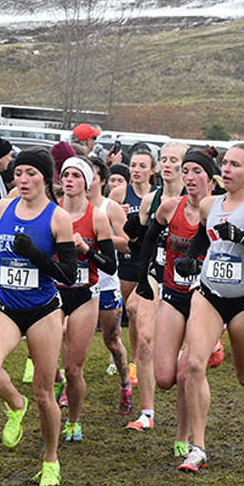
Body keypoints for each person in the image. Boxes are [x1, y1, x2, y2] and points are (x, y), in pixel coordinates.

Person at [174, 143, 244, 472]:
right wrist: (188, 258)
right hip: (208, 294)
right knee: (194, 364)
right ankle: (198, 448)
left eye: (235, 165)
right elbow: (203, 238)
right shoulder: (210, 203)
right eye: (225, 163)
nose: (226, 169)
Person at [0, 148, 76, 486]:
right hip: (5, 304)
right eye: (18, 173)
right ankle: (15, 405)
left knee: (45, 394)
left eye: (30, 174)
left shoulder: (57, 218)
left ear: (46, 179)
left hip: (43, 309)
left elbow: (69, 274)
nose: (22, 180)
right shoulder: (5, 207)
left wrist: (33, 254)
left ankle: (51, 459)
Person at [136, 147, 215, 457]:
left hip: (205, 300)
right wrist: (143, 279)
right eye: (187, 171)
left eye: (197, 172)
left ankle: (186, 437)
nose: (190, 178)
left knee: (187, 373)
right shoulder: (170, 207)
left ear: (210, 177)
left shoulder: (220, 211)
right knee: (165, 377)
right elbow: (148, 241)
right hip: (171, 292)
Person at [123, 142, 186, 432]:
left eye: (175, 160)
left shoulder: (202, 200)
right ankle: (147, 413)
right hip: (156, 273)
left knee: (183, 364)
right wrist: (129, 224)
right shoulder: (151, 200)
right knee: (146, 338)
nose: (168, 165)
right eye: (164, 159)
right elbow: (139, 239)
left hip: (189, 279)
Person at [55, 157, 116, 441]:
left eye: (75, 176)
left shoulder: (97, 217)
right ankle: (50, 402)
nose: (68, 180)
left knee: (73, 368)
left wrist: (85, 250)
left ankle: (74, 421)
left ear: (87, 182)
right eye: (65, 175)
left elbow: (110, 266)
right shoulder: (51, 213)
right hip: (53, 293)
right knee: (45, 362)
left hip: (85, 295)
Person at [86, 157, 132, 413]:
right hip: (75, 284)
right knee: (67, 335)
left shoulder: (109, 207)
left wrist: (99, 238)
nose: (84, 182)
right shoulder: (63, 208)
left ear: (102, 182)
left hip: (105, 284)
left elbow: (127, 243)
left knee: (112, 341)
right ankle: (69, 388)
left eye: (91, 176)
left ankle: (125, 383)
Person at [109, 150, 156, 387]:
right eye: (133, 165)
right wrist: (120, 216)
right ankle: (117, 354)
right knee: (123, 312)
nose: (136, 170)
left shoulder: (157, 196)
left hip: (148, 262)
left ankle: (137, 361)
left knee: (138, 311)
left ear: (152, 170)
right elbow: (106, 222)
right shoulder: (119, 193)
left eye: (142, 166)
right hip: (126, 259)